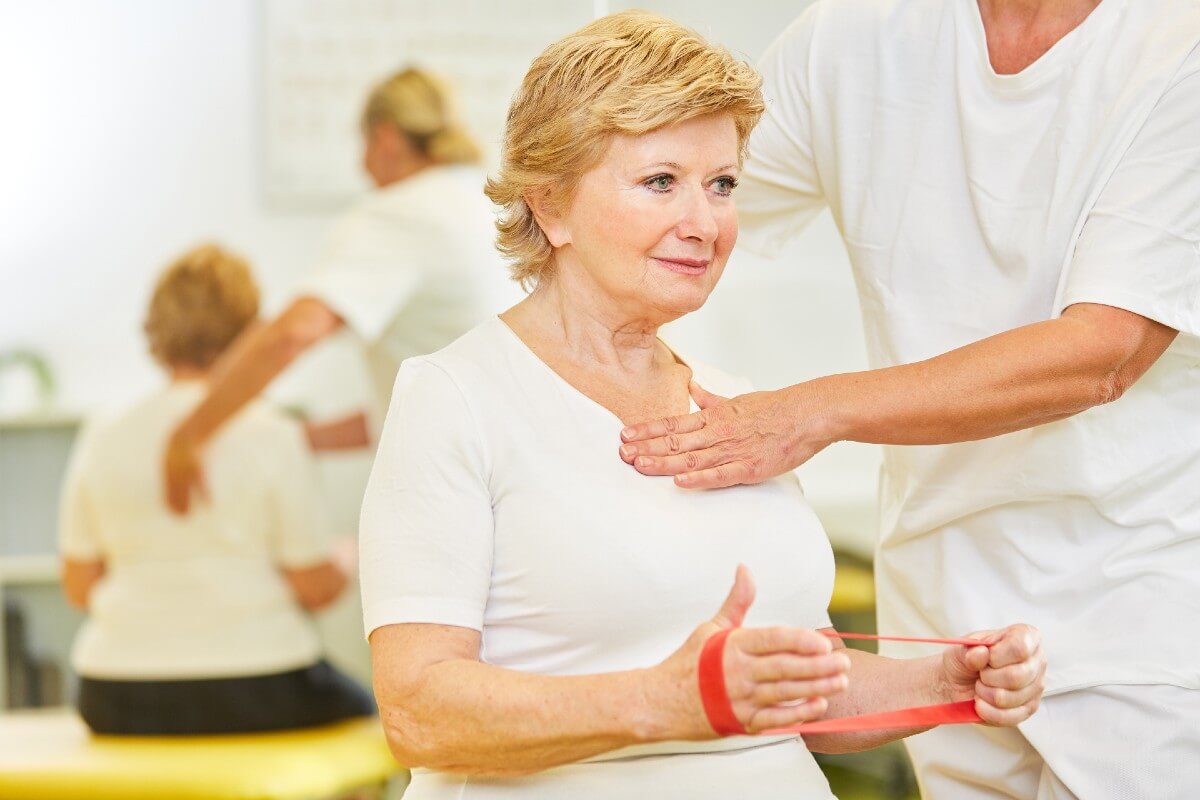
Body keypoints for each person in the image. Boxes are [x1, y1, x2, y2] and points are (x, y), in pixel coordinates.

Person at [359, 12, 1044, 799]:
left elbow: (797, 693)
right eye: (661, 181)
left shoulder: (740, 413)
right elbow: (420, 713)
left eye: (722, 184)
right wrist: (660, 702)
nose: (705, 224)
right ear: (548, 206)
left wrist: (946, 681)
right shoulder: (454, 398)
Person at [617, 1, 1200, 797]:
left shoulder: (1177, 49)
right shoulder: (851, 39)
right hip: (937, 604)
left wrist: (809, 413)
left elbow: (1105, 351)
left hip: (1141, 603)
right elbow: (661, 211)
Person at [164, 67, 512, 513]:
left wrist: (189, 434)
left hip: (459, 496)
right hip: (516, 477)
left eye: (361, 147)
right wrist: (297, 439)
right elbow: (418, 411)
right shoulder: (487, 204)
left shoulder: (400, 212)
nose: (361, 168)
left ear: (384, 138)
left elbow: (293, 333)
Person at [58, 245, 374, 735]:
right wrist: (348, 558)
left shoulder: (103, 433)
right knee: (365, 720)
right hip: (258, 683)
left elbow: (78, 586)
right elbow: (314, 588)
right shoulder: (272, 431)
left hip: (114, 692)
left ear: (156, 332)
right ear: (250, 332)